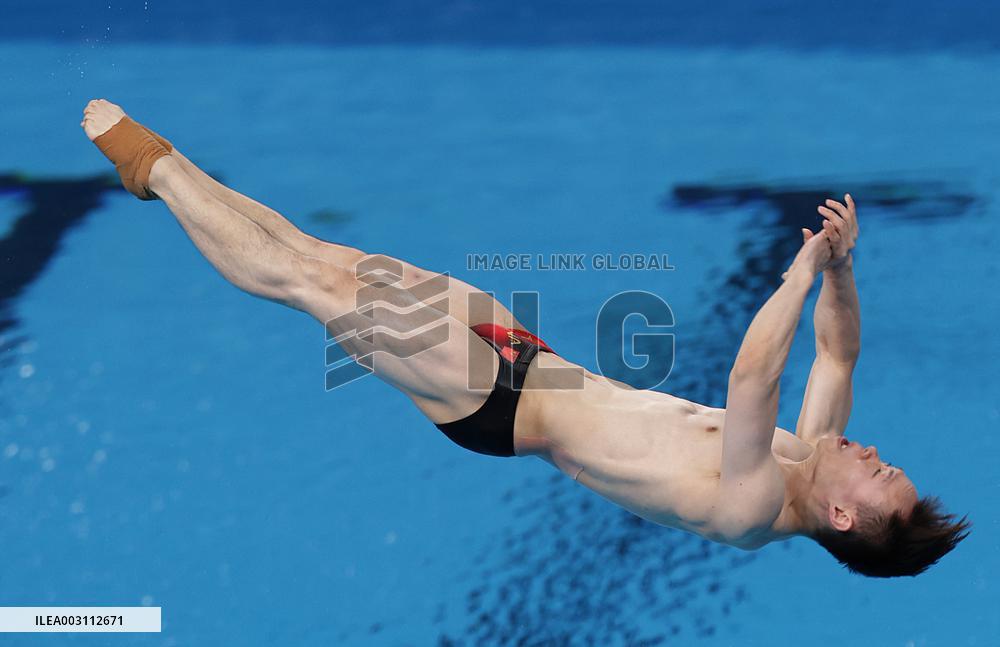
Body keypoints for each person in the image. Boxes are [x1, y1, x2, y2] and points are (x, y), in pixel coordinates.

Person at [81, 99, 969, 578]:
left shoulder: (750, 508)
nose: (877, 450)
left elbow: (750, 377)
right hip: (531, 359)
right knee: (331, 260)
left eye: (880, 471)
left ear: (844, 515)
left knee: (305, 284)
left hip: (498, 405)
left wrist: (799, 270)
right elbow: (840, 354)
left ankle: (152, 166)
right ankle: (168, 168)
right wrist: (844, 271)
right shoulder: (813, 452)